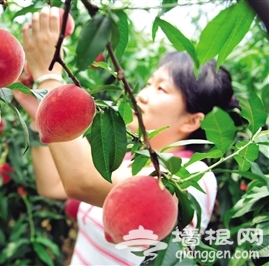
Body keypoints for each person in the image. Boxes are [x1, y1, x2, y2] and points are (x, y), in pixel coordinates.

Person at [13, 6, 234, 265]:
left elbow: (82, 181)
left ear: (192, 120)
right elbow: (52, 186)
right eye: (149, 83)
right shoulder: (128, 158)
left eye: (161, 89)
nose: (141, 93)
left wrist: (48, 78)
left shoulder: (192, 177)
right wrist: (41, 116)